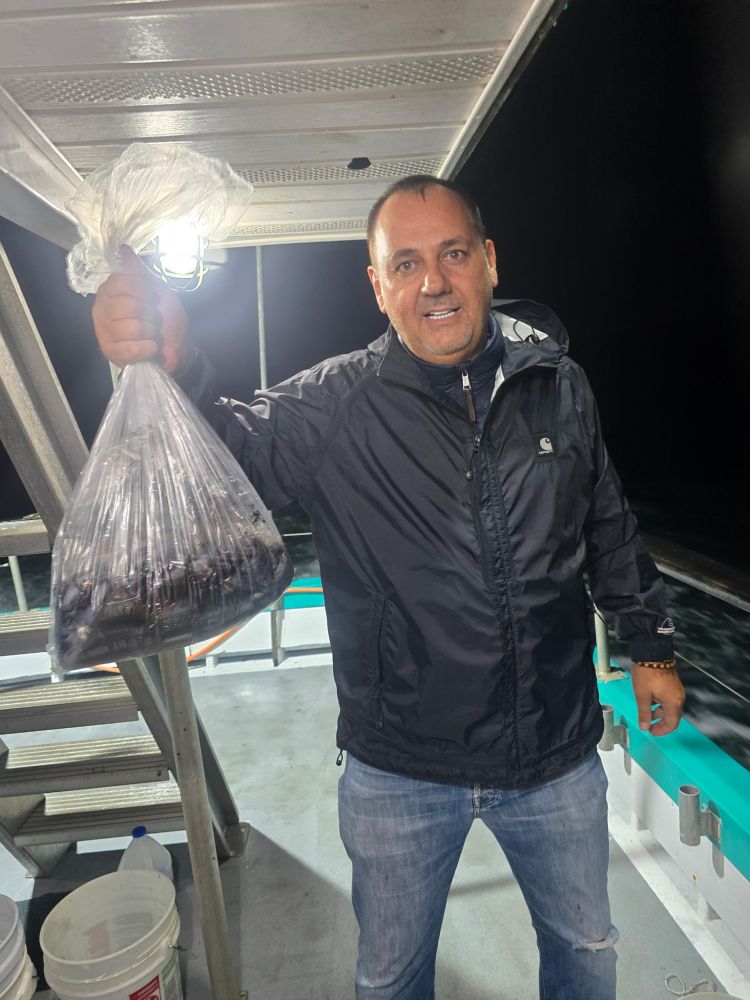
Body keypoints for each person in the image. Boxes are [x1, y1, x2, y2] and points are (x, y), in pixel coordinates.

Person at [92, 176, 685, 1000]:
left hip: (555, 754)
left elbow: (607, 524)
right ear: (378, 288)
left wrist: (650, 647)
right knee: (391, 975)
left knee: (587, 950)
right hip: (402, 770)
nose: (433, 281)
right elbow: (228, 456)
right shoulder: (335, 406)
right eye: (404, 264)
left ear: (487, 260)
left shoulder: (560, 384)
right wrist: (173, 365)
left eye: (451, 255)